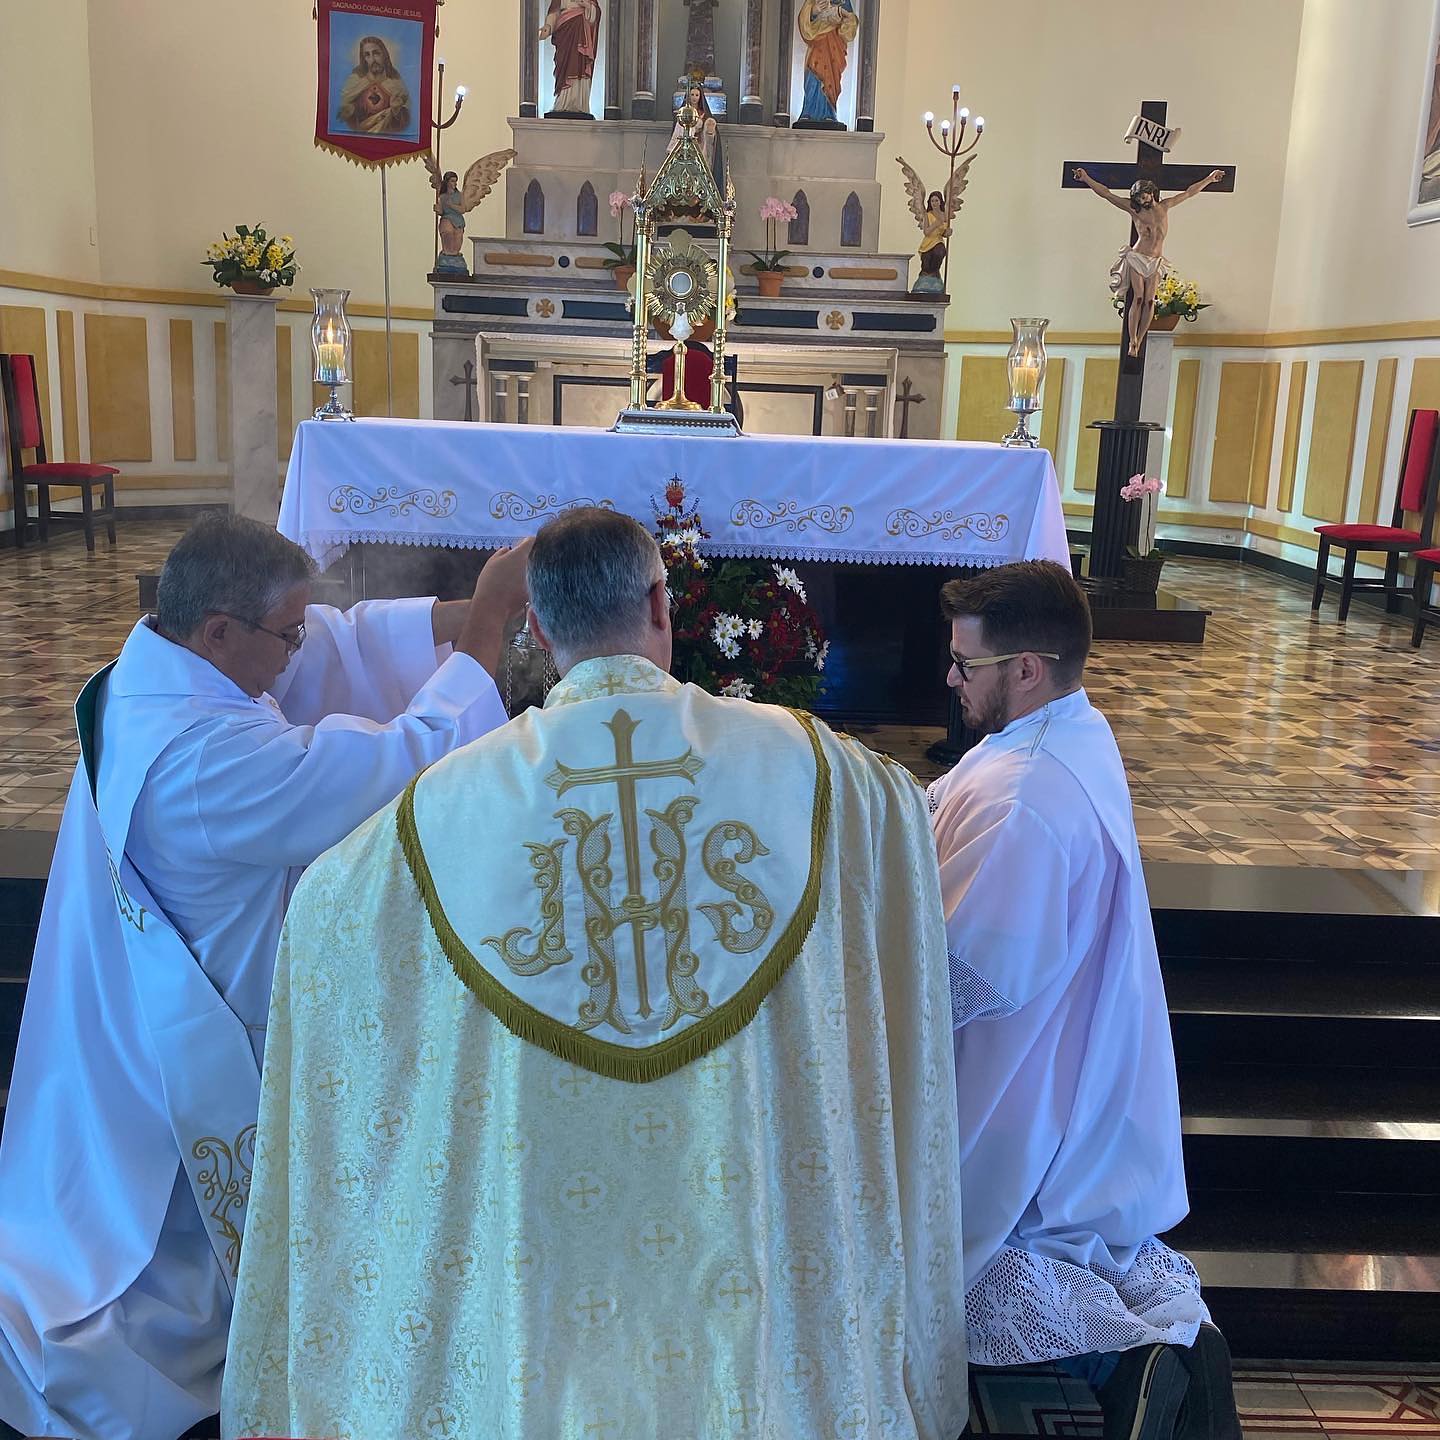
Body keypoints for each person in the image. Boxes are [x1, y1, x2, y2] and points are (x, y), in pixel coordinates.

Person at [223, 507, 968, 1440]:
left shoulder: (437, 812)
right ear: (661, 604)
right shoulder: (833, 778)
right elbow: (901, 835)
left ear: (536, 630)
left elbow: (325, 912)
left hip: (541, 1314)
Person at [0, 513, 529, 1440]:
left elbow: (336, 637)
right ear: (219, 630)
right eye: (284, 636)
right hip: (191, 1040)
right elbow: (399, 764)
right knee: (165, 1254)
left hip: (137, 991)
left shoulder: (162, 667)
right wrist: (487, 626)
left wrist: (457, 613)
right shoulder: (203, 758)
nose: (297, 653)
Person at [928, 561, 1241, 1440]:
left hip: (1023, 1070)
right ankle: (1158, 1356)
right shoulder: (1072, 729)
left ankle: (1127, 1361)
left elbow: (961, 977)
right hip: (1075, 1040)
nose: (951, 679)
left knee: (964, 1254)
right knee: (1065, 1243)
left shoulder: (1022, 797)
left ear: (1027, 668)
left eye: (966, 664)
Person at [1072, 166, 1225, 356]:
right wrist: (1086, 178)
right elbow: (1107, 194)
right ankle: (1132, 340)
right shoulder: (1134, 210)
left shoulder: (1165, 206)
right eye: (1138, 198)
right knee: (1138, 298)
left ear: (1151, 192)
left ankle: (1140, 338)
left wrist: (1209, 179)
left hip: (1155, 261)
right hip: (1137, 257)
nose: (1141, 201)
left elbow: (1188, 193)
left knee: (1150, 301)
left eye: (1143, 196)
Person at [796, 0, 859, 124]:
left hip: (834, 46)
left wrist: (842, 15)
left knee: (832, 77)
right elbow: (804, 20)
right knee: (813, 76)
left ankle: (829, 112)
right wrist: (813, 11)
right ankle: (808, 111)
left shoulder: (844, 1)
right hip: (817, 44)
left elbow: (851, 24)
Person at [336, 34, 411, 135]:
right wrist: (351, 110)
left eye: (376, 53)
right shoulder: (356, 81)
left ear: (384, 55)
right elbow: (346, 120)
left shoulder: (396, 84)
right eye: (367, 55)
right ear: (364, 59)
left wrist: (396, 110)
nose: (372, 59)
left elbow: (405, 122)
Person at [539, 0, 600, 115]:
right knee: (564, 65)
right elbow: (554, 12)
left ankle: (578, 103)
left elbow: (595, 13)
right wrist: (548, 26)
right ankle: (562, 102)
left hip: (581, 30)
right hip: (564, 31)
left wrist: (587, 6)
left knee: (578, 65)